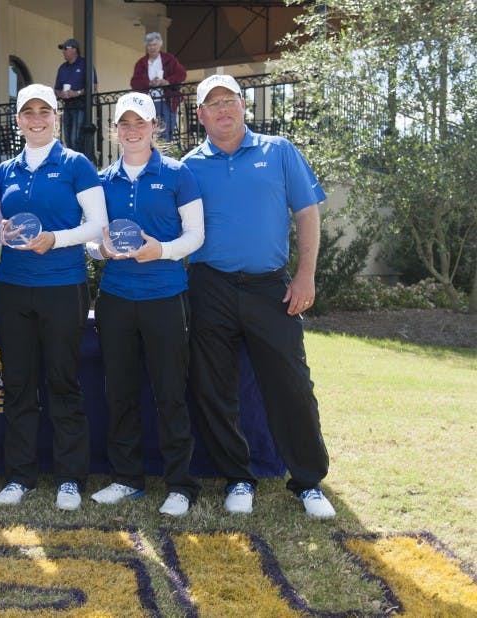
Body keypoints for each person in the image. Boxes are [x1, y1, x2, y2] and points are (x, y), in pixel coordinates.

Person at [182, 74, 336, 518]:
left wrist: (306, 275)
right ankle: (238, 478)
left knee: (291, 384)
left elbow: (307, 213)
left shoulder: (280, 151)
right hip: (209, 286)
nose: (223, 109)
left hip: (272, 287)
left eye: (229, 100)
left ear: (243, 106)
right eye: (213, 104)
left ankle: (308, 481)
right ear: (200, 116)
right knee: (214, 388)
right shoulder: (189, 165)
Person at [0, 84, 107, 511]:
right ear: (17, 120)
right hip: (15, 288)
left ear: (56, 117)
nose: (36, 118)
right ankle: (19, 475)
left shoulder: (77, 164)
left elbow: (97, 226)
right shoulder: (3, 172)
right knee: (18, 383)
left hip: (64, 286)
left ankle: (70, 478)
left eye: (44, 110)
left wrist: (54, 239)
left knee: (63, 381)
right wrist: (3, 237)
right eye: (28, 112)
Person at [88, 92, 204, 516]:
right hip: (116, 298)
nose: (133, 130)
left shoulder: (178, 174)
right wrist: (102, 251)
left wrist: (162, 251)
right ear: (114, 130)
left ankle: (180, 484)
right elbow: (92, 242)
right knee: (119, 392)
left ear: (156, 126)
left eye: (141, 122)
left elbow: (195, 236)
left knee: (170, 392)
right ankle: (127, 479)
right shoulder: (101, 179)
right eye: (124, 123)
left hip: (165, 297)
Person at [130, 33, 187, 141]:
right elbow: (134, 83)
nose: (152, 48)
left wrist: (167, 81)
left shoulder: (169, 59)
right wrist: (149, 83)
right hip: (148, 102)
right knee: (149, 131)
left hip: (167, 99)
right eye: (150, 45)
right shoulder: (141, 63)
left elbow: (181, 74)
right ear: (146, 46)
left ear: (159, 45)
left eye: (155, 45)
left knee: (166, 131)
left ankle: (165, 156)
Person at [54, 39, 97, 155]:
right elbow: (56, 89)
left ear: (74, 50)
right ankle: (73, 162)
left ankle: (82, 161)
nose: (63, 52)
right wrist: (61, 94)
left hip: (81, 104)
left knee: (76, 137)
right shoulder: (62, 68)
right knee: (68, 139)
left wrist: (76, 93)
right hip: (67, 105)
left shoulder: (85, 64)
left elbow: (93, 86)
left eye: (65, 49)